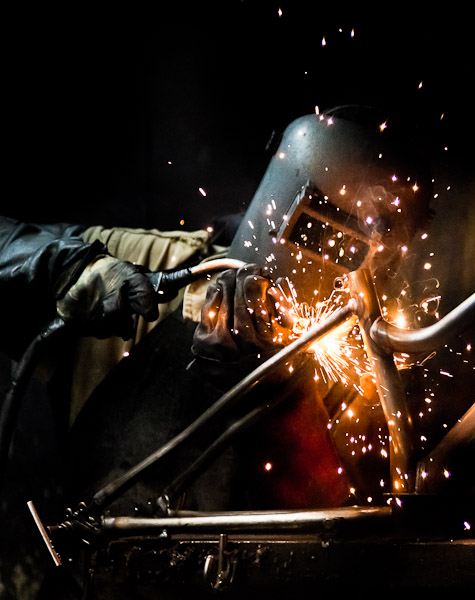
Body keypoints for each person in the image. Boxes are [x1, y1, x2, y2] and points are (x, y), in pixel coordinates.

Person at [1, 105, 433, 518]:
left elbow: (347, 536)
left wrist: (286, 410)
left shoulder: (372, 381)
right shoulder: (156, 266)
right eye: (320, 234)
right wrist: (69, 267)